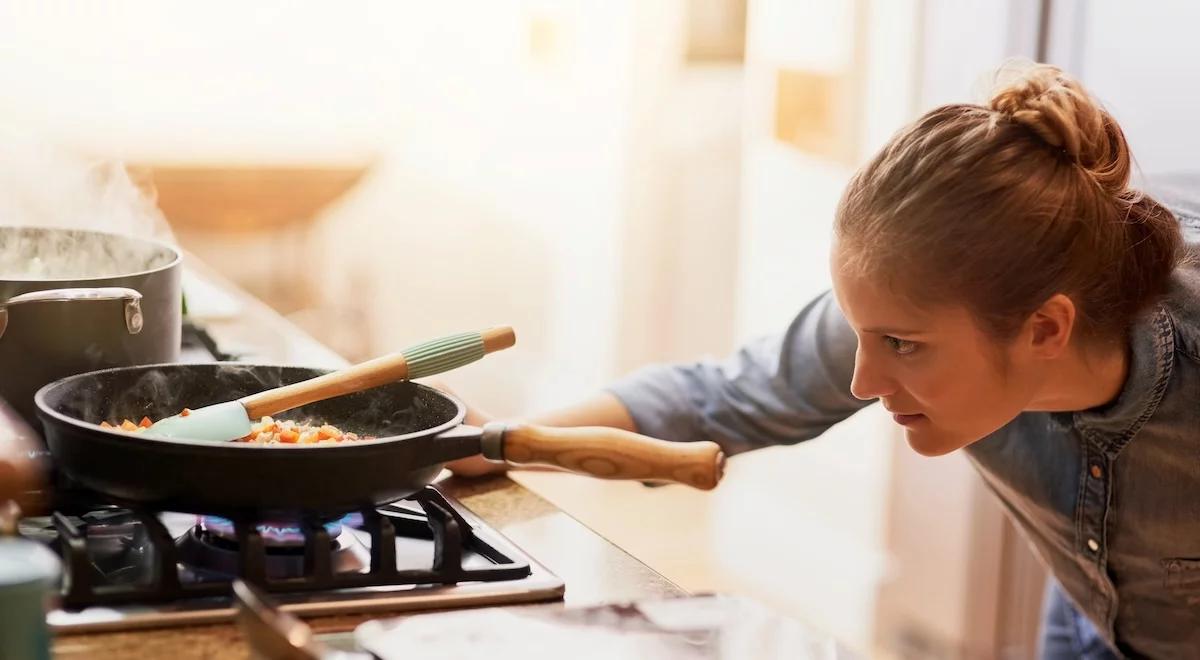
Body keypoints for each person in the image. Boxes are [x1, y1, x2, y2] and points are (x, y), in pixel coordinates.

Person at [432, 63, 1200, 658]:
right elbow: (724, 397)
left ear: (1045, 330)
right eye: (862, 335)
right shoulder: (930, 308)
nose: (864, 381)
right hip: (1093, 611)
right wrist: (501, 441)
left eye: (901, 346)